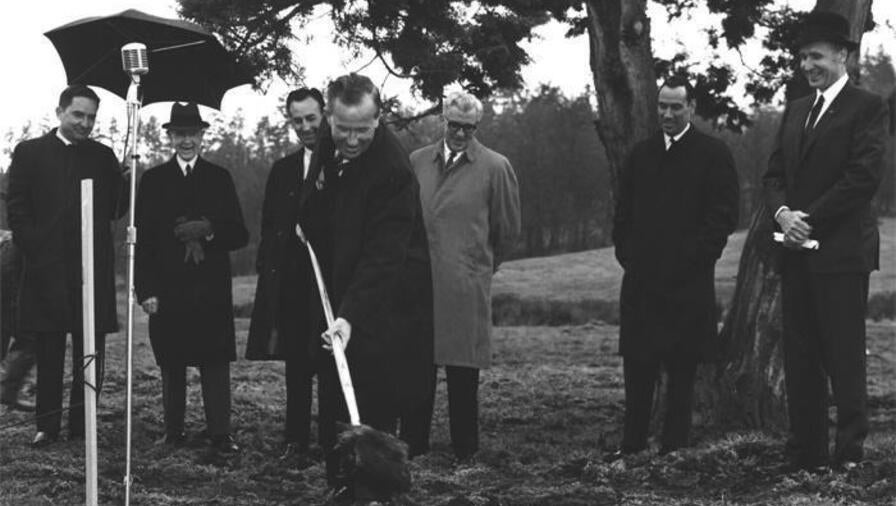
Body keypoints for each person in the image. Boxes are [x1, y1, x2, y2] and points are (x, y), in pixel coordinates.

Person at [762, 10, 888, 472]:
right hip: (795, 256)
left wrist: (806, 220)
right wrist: (782, 214)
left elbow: (862, 178)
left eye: (815, 56)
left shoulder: (868, 107)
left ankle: (848, 456)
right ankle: (806, 453)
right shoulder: (796, 110)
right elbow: (774, 174)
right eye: (801, 58)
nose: (806, 65)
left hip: (841, 255)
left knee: (843, 356)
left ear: (843, 56)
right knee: (800, 358)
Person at [297, 73, 433, 491]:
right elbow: (318, 198)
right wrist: (308, 220)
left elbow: (383, 257)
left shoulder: (392, 171)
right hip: (342, 292)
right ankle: (340, 486)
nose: (352, 140)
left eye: (363, 130)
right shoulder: (327, 141)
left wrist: (351, 316)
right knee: (335, 407)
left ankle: (375, 493)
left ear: (378, 120)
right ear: (329, 119)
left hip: (389, 307)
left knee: (372, 409)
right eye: (343, 129)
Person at [608, 76, 739, 461]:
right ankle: (632, 445)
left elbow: (724, 217)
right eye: (662, 106)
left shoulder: (713, 154)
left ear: (691, 108)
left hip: (688, 284)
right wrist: (630, 256)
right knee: (638, 365)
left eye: (676, 107)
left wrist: (694, 260)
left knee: (682, 369)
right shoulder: (641, 154)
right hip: (642, 283)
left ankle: (674, 449)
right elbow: (623, 214)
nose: (667, 113)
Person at [401, 91, 521, 461]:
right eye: (454, 125)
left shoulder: (496, 167)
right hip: (418, 286)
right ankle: (413, 446)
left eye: (468, 129)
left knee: (463, 373)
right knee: (416, 371)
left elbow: (507, 232)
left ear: (476, 128)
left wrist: (476, 267)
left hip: (465, 287)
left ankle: (465, 452)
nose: (460, 134)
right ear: (442, 121)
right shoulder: (417, 161)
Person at [5, 85, 127, 447]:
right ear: (60, 112)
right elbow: (17, 205)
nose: (85, 123)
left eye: (91, 117)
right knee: (49, 347)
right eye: (78, 115)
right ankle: (47, 426)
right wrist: (34, 247)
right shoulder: (30, 152)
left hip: (92, 269)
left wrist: (127, 178)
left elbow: (114, 211)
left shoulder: (103, 156)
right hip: (46, 269)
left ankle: (82, 424)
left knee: (91, 349)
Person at [135, 102, 248, 454]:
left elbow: (240, 235)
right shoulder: (153, 181)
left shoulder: (219, 178)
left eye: (193, 134)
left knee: (215, 362)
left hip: (210, 289)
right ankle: (173, 431)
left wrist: (211, 229)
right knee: (172, 361)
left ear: (202, 136)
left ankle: (220, 433)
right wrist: (146, 290)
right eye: (180, 134)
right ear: (170, 136)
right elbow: (145, 242)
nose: (187, 141)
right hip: (169, 289)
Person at [246, 88, 325, 465]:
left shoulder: (342, 162)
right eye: (298, 121)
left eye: (312, 118)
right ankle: (295, 439)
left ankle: (331, 438)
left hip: (330, 283)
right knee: (296, 363)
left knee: (328, 361)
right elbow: (269, 226)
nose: (306, 127)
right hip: (291, 283)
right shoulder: (282, 170)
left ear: (324, 115)